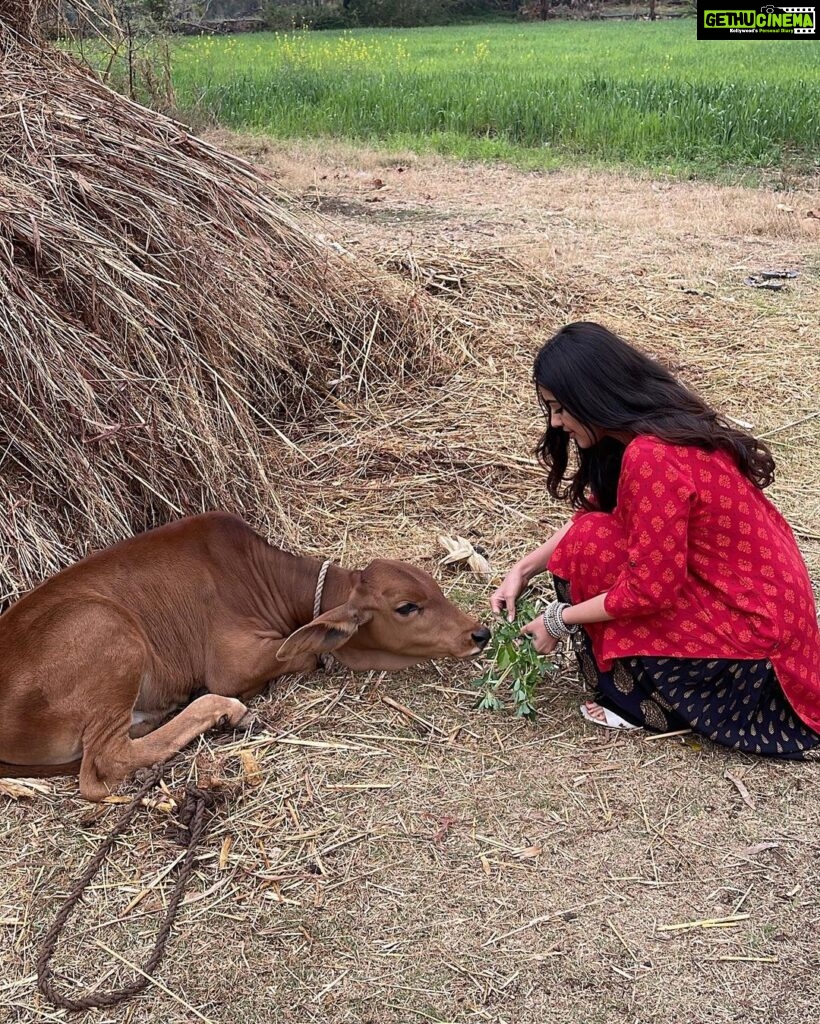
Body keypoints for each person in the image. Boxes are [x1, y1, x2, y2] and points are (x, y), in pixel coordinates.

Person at [490, 321, 820, 757]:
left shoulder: (653, 456)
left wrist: (560, 619)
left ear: (592, 396)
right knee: (595, 534)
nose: (556, 422)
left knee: (592, 545)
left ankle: (640, 702)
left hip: (755, 648)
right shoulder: (659, 431)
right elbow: (599, 512)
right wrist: (521, 569)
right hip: (772, 621)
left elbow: (649, 589)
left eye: (560, 408)